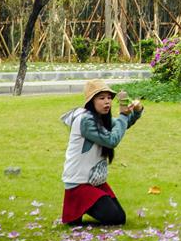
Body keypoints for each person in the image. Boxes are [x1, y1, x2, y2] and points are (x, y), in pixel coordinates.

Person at [61, 78, 144, 226]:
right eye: (101, 98)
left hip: (94, 181)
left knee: (119, 217)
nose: (107, 102)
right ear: (91, 101)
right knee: (116, 218)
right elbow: (112, 140)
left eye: (109, 98)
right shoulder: (86, 121)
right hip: (79, 183)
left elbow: (121, 125)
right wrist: (124, 116)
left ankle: (86, 208)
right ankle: (82, 207)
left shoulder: (99, 118)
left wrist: (136, 112)